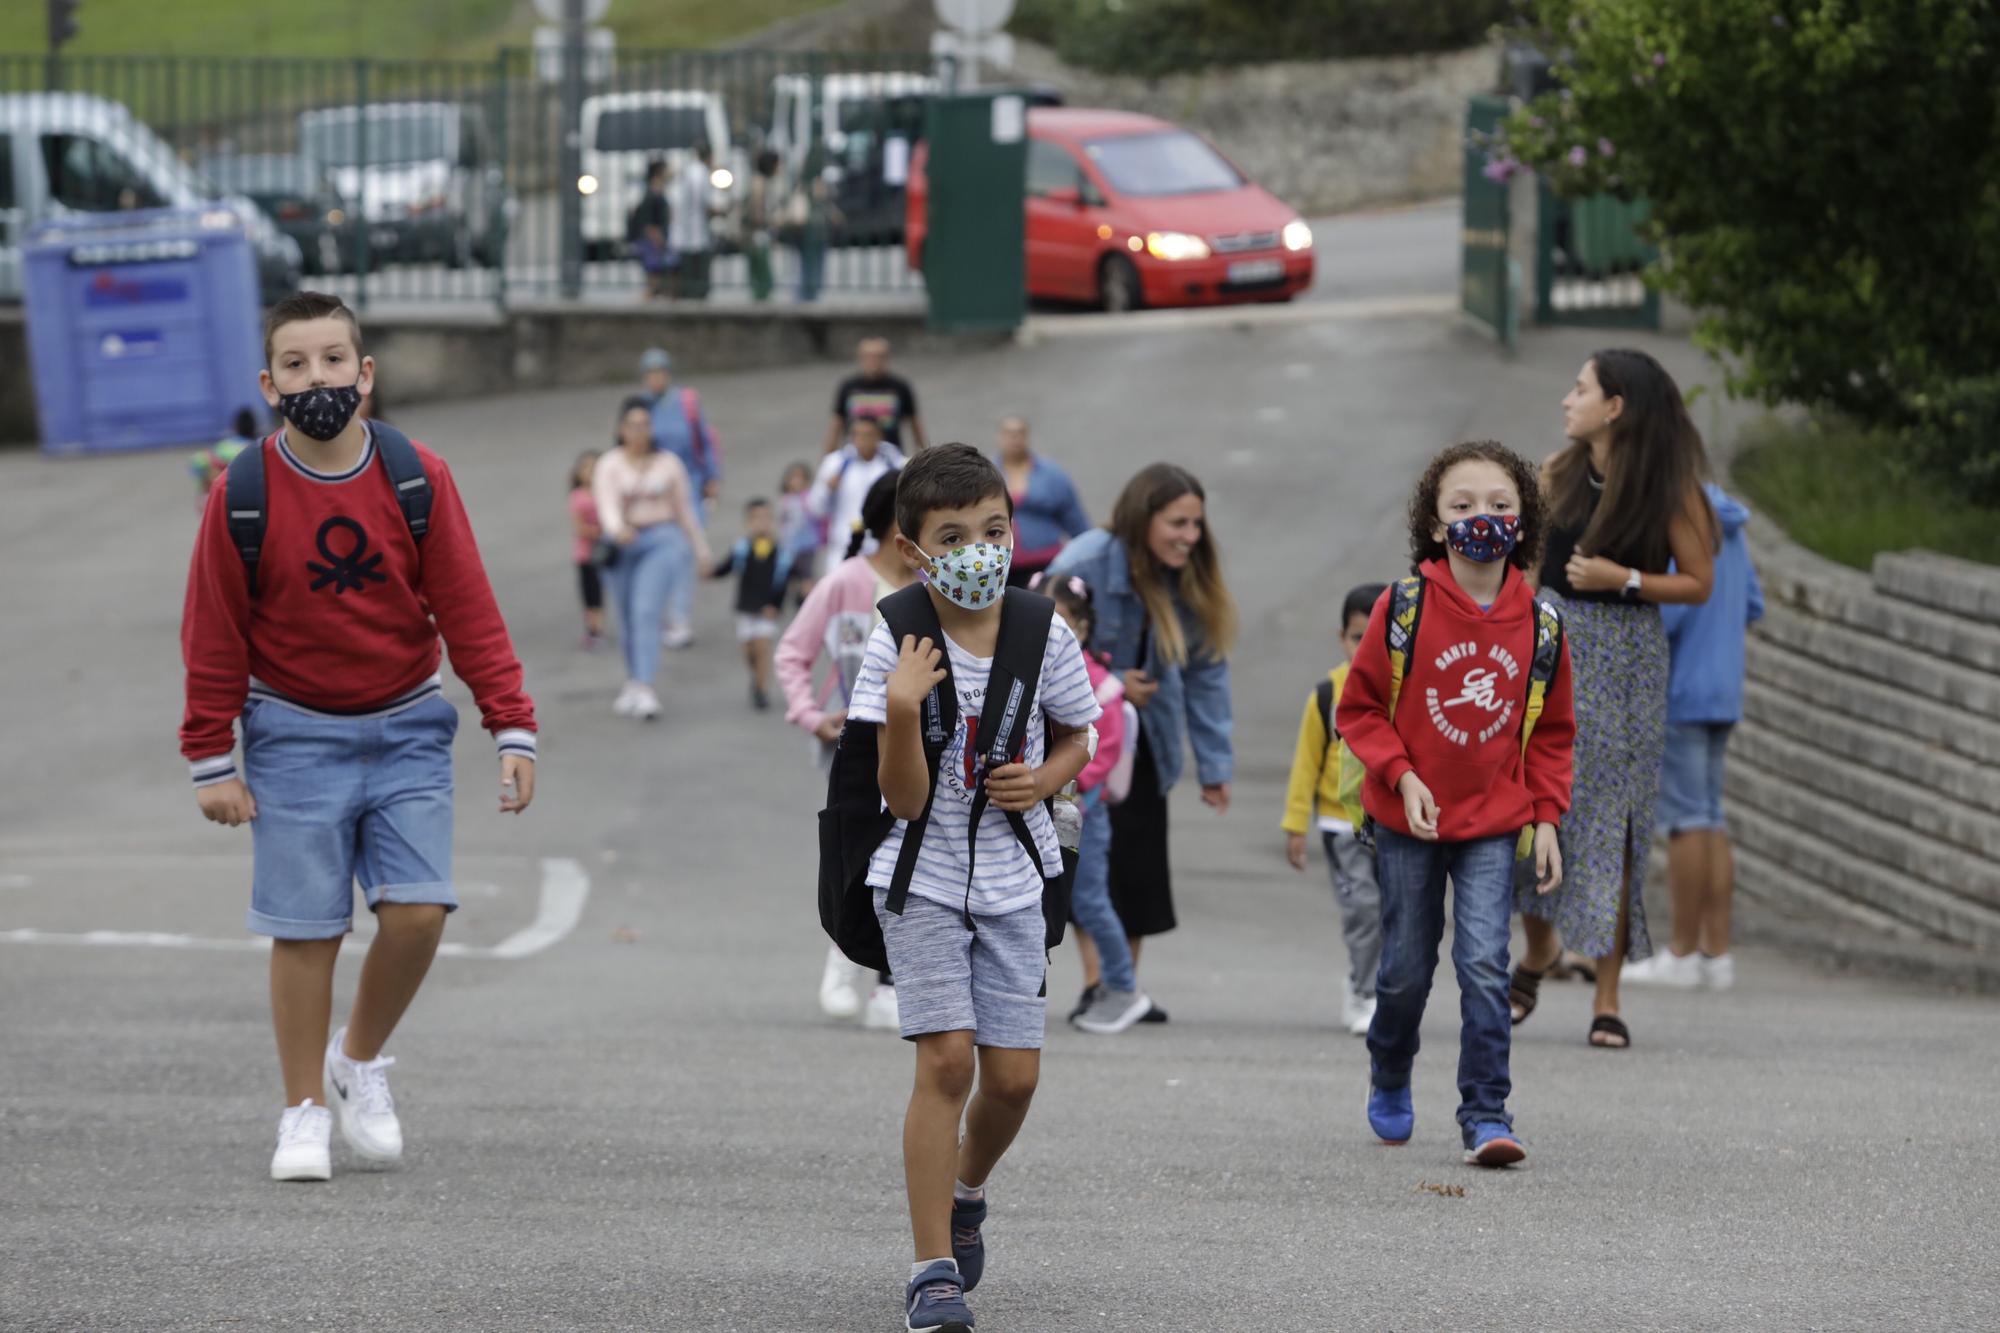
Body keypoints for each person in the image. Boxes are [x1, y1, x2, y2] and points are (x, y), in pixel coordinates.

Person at [179, 291, 538, 1183]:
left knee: (419, 911)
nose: (318, 379)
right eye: (296, 365)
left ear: (365, 373)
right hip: (292, 731)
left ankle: (357, 1059)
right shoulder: (243, 492)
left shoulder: (419, 477)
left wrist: (512, 723)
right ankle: (302, 1107)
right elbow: (213, 627)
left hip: (409, 723)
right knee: (305, 929)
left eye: (334, 360)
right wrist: (209, 757)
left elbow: (467, 606)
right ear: (270, 384)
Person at [845, 444, 1100, 1333]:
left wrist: (1049, 774)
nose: (980, 548)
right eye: (954, 535)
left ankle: (966, 1191)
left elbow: (1083, 729)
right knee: (946, 1060)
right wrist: (906, 707)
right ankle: (931, 1268)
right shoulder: (897, 631)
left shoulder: (1040, 627)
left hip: (1011, 876)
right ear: (916, 549)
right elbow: (903, 798)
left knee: (1016, 1078)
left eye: (993, 528)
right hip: (919, 875)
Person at [1337, 439, 1574, 1168]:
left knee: (1484, 962)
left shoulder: (1541, 625)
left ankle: (1486, 1111)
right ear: (1436, 524)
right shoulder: (1401, 607)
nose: (1483, 518)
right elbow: (1361, 707)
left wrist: (1545, 817)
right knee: (1406, 965)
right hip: (1408, 820)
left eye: (1501, 505)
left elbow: (1554, 733)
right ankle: (1391, 1064)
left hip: (1493, 823)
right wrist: (1402, 776)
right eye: (1463, 505)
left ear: (1524, 520)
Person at [1510, 349, 1719, 1050]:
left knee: (1616, 819)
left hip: (1626, 656)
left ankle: (1607, 995)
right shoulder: (1554, 472)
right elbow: (1532, 571)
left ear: (1616, 407)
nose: (1568, 400)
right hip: (1552, 645)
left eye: (1581, 388)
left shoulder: (1667, 487)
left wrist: (1622, 577)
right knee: (1539, 805)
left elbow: (1698, 581)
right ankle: (1538, 951)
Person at [1048, 464, 1236, 1023]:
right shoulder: (1083, 563)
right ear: (1142, 517)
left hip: (1144, 741)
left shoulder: (1188, 576)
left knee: (1137, 866)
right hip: (1081, 742)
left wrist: (1214, 764)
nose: (1190, 536)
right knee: (1086, 862)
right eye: (1177, 522)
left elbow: (1207, 673)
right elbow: (1036, 645)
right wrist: (1110, 680)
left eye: (1196, 524)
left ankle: (1119, 984)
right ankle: (1097, 982)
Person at [776, 473, 913, 1029]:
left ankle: (890, 982)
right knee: (863, 855)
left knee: (910, 859)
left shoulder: (940, 584)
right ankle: (844, 955)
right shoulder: (846, 583)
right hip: (855, 750)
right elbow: (792, 652)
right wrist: (810, 716)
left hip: (924, 751)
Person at [1624, 482, 1763, 991]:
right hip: (1723, 687)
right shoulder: (1730, 520)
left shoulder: (1676, 513)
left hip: (1681, 688)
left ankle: (1681, 953)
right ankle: (1715, 953)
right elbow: (1751, 603)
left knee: (1685, 819)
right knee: (1710, 815)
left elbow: (1668, 611)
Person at [1028, 572, 1145, 1035]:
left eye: (1061, 621)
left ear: (1082, 627)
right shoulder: (1028, 674)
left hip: (1081, 816)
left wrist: (1054, 779)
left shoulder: (1100, 684)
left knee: (1091, 901)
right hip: (1041, 811)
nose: (1050, 631)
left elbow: (1102, 749)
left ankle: (1123, 988)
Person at [1281, 582, 1389, 1037]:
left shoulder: (1406, 691)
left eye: (1377, 636)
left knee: (1397, 912)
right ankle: (1364, 992)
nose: (1365, 647)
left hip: (1395, 823)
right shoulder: (1327, 695)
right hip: (1340, 824)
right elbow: (1306, 763)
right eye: (1355, 636)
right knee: (1363, 908)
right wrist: (1295, 826)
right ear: (1341, 637)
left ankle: (1384, 988)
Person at [593, 396, 713, 721]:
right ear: (621, 428)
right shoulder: (610, 463)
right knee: (628, 616)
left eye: (645, 424)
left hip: (661, 539)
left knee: (646, 611)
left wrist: (700, 550)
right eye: (632, 424)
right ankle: (633, 680)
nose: (639, 431)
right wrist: (617, 528)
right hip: (622, 544)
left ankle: (646, 685)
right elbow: (605, 504)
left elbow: (685, 510)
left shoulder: (668, 463)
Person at [638, 347, 722, 648]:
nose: (655, 379)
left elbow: (705, 440)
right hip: (657, 494)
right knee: (663, 554)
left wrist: (713, 476)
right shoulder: (642, 408)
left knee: (685, 554)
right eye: (650, 374)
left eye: (660, 372)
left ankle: (680, 618)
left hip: (690, 486)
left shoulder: (686, 403)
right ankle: (660, 615)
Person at [708, 497, 793, 711]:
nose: (761, 523)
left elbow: (785, 580)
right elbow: (726, 567)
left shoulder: (780, 552)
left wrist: (776, 604)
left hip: (767, 608)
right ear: (747, 522)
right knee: (748, 650)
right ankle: (755, 677)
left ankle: (762, 689)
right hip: (746, 607)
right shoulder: (742, 549)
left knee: (762, 646)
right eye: (756, 519)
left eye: (766, 518)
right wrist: (710, 572)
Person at [995, 416, 1090, 588]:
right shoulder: (988, 473)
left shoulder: (1051, 474)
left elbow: (1075, 520)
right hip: (1002, 566)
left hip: (1046, 563)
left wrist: (1089, 551)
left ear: (1027, 436)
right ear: (1000, 437)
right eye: (1009, 433)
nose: (1015, 439)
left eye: (1020, 433)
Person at [809, 416, 904, 576]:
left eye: (868, 435)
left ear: (879, 436)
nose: (863, 440)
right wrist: (827, 489)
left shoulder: (894, 463)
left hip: (882, 546)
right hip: (843, 547)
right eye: (858, 435)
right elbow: (816, 509)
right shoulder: (835, 463)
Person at [822, 336, 927, 456]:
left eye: (879, 357)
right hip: (855, 456)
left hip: (891, 456)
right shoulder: (848, 387)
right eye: (868, 356)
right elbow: (836, 425)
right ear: (860, 358)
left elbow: (915, 425)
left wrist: (923, 458)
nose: (873, 361)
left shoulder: (900, 387)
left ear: (887, 358)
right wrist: (828, 459)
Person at [667, 142, 718, 301]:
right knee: (697, 279)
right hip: (695, 231)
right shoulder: (701, 173)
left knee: (688, 274)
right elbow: (703, 203)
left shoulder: (689, 171)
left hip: (687, 230)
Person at [568, 450, 607, 651]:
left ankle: (598, 626)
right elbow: (579, 527)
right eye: (587, 468)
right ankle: (593, 628)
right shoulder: (578, 497)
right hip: (586, 554)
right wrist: (600, 531)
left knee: (602, 592)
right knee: (590, 593)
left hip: (607, 552)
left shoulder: (607, 493)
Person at [189, 407, 261, 506]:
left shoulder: (223, 447)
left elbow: (197, 463)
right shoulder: (259, 449)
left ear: (236, 427)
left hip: (215, 500)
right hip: (248, 501)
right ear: (255, 427)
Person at [775, 460, 824, 604]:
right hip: (790, 545)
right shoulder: (785, 500)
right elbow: (783, 523)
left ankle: (809, 599)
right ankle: (798, 597)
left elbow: (817, 514)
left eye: (800, 478)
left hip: (807, 544)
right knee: (791, 574)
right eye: (793, 478)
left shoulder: (809, 498)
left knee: (807, 574)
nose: (797, 482)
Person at [629, 157, 672, 301]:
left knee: (657, 275)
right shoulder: (652, 192)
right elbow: (648, 219)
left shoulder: (656, 190)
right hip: (653, 238)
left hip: (656, 237)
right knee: (654, 274)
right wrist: (656, 236)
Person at [745, 149, 780, 303]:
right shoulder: (759, 183)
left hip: (756, 232)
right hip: (756, 232)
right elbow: (757, 211)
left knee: (759, 273)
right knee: (763, 274)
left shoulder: (759, 181)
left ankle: (760, 300)